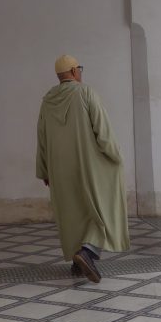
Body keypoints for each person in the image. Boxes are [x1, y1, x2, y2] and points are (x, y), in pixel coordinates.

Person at [36, 54, 129, 282]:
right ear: (75, 71)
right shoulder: (85, 92)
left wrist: (44, 170)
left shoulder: (47, 99)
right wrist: (115, 156)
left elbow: (41, 137)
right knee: (103, 207)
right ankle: (87, 252)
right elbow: (103, 131)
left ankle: (77, 264)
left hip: (59, 169)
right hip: (88, 165)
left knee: (73, 213)